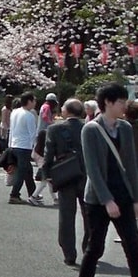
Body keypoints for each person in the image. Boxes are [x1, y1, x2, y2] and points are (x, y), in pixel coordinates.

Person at [74, 83, 138, 277]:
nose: (124, 105)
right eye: (120, 101)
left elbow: (131, 165)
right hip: (98, 198)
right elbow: (92, 169)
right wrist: (106, 199)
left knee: (134, 246)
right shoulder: (90, 129)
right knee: (95, 246)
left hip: (122, 193)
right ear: (108, 103)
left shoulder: (125, 128)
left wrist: (135, 198)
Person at [44, 99, 89, 268]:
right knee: (89, 214)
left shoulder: (55, 129)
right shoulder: (89, 127)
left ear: (66, 111)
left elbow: (49, 153)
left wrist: (46, 173)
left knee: (66, 215)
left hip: (65, 175)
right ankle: (89, 249)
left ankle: (69, 253)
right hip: (86, 175)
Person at [6, 92, 39, 204]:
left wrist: (9, 144)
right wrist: (35, 148)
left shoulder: (14, 112)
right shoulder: (29, 115)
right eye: (34, 101)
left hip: (14, 145)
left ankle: (33, 193)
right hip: (24, 146)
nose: (35, 103)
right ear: (29, 101)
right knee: (22, 171)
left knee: (27, 171)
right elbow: (32, 134)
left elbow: (11, 129)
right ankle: (14, 194)